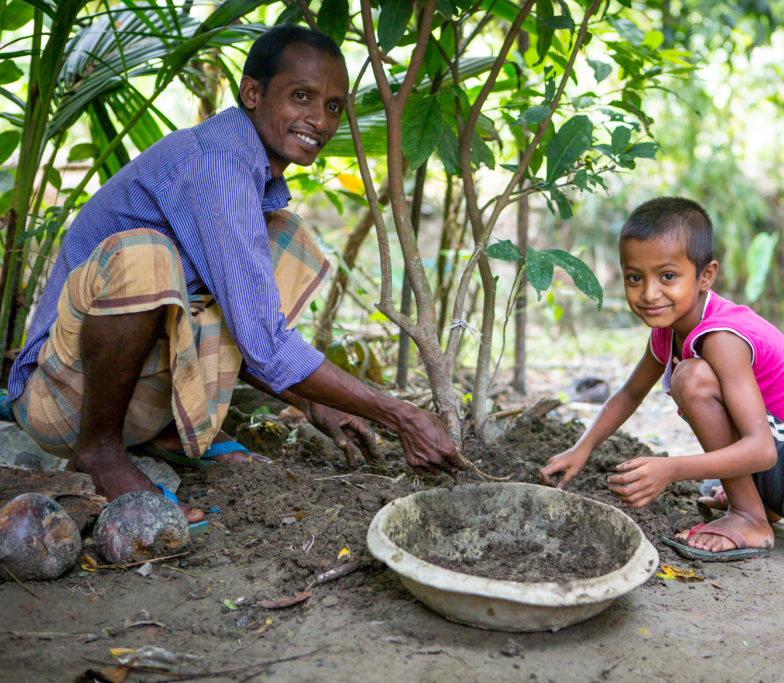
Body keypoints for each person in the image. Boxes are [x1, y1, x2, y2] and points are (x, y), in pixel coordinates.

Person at [5, 25, 460, 523]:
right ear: (252, 92)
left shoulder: (246, 170)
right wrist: (402, 415)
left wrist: (314, 403)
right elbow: (265, 344)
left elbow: (246, 327)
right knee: (145, 256)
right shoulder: (218, 161)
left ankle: (165, 430)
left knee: (288, 238)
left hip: (135, 395)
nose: (319, 119)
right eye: (301, 96)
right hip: (61, 394)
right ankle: (99, 454)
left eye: (333, 106)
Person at [541, 197, 784, 561]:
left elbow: (761, 449)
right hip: (780, 468)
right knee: (690, 376)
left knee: (691, 378)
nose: (649, 293)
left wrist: (671, 469)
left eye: (667, 276)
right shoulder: (670, 328)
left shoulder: (721, 337)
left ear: (706, 276)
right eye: (635, 277)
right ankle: (757, 503)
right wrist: (581, 449)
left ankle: (750, 518)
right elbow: (630, 393)